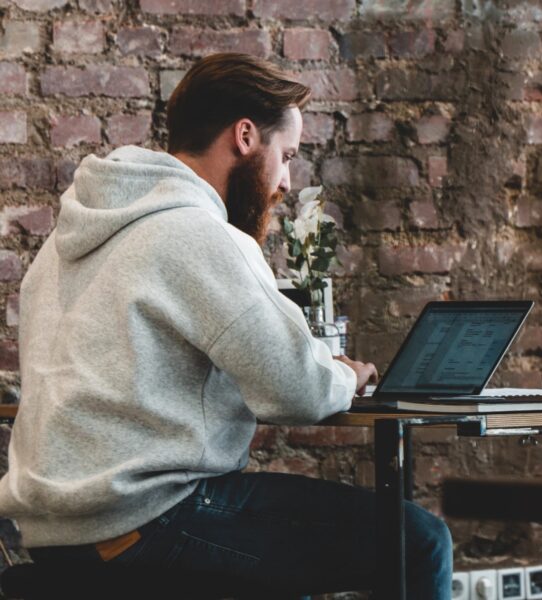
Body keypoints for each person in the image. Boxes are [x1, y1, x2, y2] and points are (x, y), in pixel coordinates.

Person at [0, 53, 452, 598]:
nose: (285, 182)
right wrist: (346, 376)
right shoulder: (196, 232)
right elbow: (297, 389)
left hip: (51, 532)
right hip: (143, 519)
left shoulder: (63, 244)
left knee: (281, 570)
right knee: (420, 541)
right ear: (245, 137)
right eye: (286, 156)